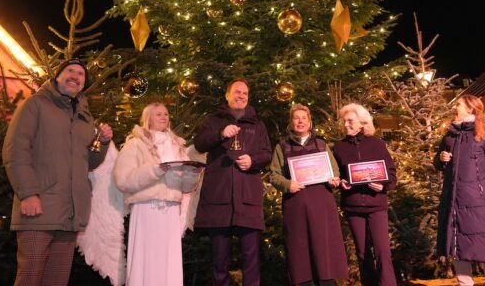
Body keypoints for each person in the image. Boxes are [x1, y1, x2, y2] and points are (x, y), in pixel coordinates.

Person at [2, 58, 113, 285]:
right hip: (39, 207)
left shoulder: (85, 117)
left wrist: (102, 143)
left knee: (57, 280)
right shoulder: (36, 104)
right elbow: (15, 151)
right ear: (57, 77)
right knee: (30, 277)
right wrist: (28, 193)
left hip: (70, 212)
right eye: (69, 71)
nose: (75, 76)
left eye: (81, 74)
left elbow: (87, 163)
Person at [114, 102, 204, 286]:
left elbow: (186, 188)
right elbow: (123, 180)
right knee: (145, 258)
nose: (164, 117)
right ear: (148, 119)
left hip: (171, 211)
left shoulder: (177, 146)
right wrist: (155, 170)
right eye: (158, 114)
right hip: (146, 208)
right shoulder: (135, 145)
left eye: (166, 114)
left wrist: (191, 175)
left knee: (168, 260)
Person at [193, 78, 272, 286]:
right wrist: (220, 134)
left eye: (245, 93)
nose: (241, 96)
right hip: (219, 200)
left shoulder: (257, 124)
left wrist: (252, 160)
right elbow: (199, 144)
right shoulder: (214, 120)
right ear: (227, 95)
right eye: (237, 92)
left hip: (248, 201)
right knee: (220, 261)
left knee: (251, 259)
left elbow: (267, 154)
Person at [434, 94, 485, 286]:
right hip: (453, 204)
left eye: (458, 104)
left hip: (481, 206)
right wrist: (440, 160)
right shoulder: (450, 136)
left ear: (470, 108)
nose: (454, 108)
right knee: (457, 246)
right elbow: (438, 163)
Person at [269, 104, 348, 286]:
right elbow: (274, 175)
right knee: (300, 248)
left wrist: (334, 179)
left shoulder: (321, 144)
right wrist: (288, 184)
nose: (300, 121)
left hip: (322, 205)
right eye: (296, 118)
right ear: (291, 122)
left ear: (310, 121)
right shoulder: (282, 147)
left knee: (324, 247)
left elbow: (334, 170)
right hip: (296, 204)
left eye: (304, 118)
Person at [333, 103, 397, 286]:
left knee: (382, 251)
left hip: (376, 204)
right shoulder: (339, 147)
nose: (346, 125)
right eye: (344, 121)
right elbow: (336, 175)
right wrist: (341, 183)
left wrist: (383, 186)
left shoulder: (377, 144)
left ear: (362, 122)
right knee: (362, 253)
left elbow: (391, 175)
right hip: (353, 205)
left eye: (350, 121)